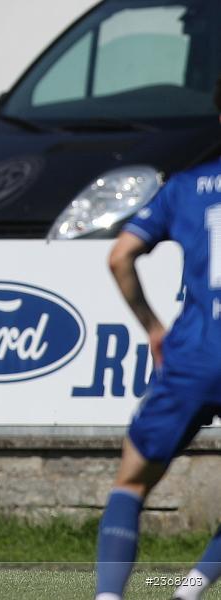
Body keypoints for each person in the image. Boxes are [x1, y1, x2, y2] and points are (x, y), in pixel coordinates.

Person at [95, 75, 221, 600]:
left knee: (131, 480)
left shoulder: (188, 187)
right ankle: (188, 591)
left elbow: (119, 255)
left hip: (193, 355)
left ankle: (108, 597)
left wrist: (152, 327)